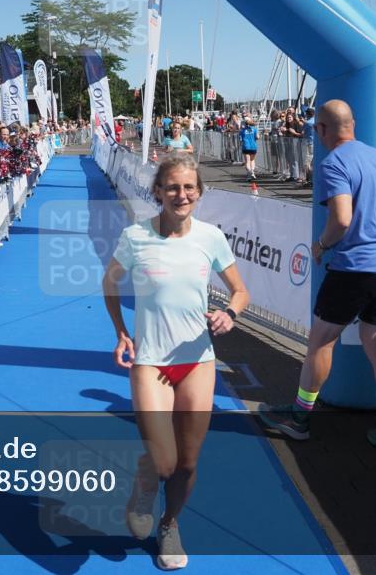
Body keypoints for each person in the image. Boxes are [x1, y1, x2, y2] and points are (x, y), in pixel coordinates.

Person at [102, 153, 249, 570]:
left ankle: (169, 524)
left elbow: (240, 291)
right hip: (150, 363)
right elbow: (109, 284)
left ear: (199, 193)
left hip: (198, 361)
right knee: (164, 461)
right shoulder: (135, 237)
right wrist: (120, 332)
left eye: (188, 188)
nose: (180, 194)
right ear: (158, 193)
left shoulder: (211, 238)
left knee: (186, 463)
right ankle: (146, 479)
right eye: (172, 187)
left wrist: (230, 314)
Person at [259, 100, 376, 457]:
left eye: (317, 129)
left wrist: (320, 244)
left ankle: (299, 419)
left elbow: (342, 219)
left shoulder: (334, 163)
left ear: (323, 130)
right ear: (353, 124)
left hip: (357, 265)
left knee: (321, 341)